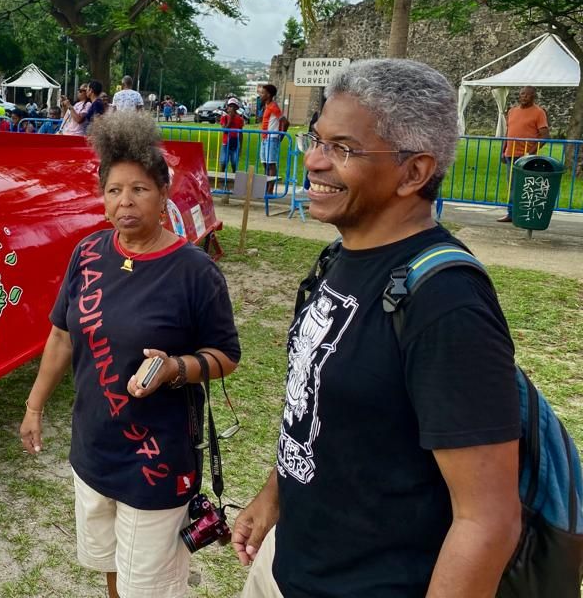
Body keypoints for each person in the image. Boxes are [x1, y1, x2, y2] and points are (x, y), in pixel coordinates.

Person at [232, 59, 521, 598]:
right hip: (288, 565)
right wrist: (272, 497)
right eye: (314, 140)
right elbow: (313, 406)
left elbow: (488, 522)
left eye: (342, 149)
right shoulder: (337, 259)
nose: (314, 162)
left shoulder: (446, 304)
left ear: (413, 173)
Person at [21, 110, 240, 598]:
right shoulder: (89, 252)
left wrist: (173, 368)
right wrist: (35, 406)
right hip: (94, 449)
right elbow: (61, 336)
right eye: (115, 189)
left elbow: (226, 355)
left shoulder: (194, 272)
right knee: (112, 569)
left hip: (156, 460)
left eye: (139, 189)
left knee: (151, 586)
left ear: (164, 195)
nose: (125, 201)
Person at [498, 85, 550, 222]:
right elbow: (508, 132)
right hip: (511, 154)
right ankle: (511, 213)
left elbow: (545, 136)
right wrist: (503, 151)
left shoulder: (539, 112)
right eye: (521, 94)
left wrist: (529, 153)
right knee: (512, 184)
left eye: (527, 94)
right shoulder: (512, 111)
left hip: (526, 156)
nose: (523, 96)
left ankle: (524, 214)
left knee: (525, 186)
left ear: (533, 96)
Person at [259, 85, 283, 194]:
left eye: (263, 93)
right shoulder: (266, 105)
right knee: (265, 163)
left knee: (271, 164)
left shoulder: (274, 106)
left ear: (268, 95)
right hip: (264, 138)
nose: (261, 95)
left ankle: (270, 190)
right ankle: (265, 187)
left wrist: (280, 135)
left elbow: (285, 121)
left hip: (271, 138)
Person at [219, 97, 245, 174]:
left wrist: (241, 146)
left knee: (234, 162)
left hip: (235, 143)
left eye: (233, 107)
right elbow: (225, 130)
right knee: (223, 161)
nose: (231, 109)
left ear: (236, 108)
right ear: (227, 107)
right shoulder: (224, 117)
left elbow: (240, 133)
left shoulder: (240, 119)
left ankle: (234, 177)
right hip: (225, 143)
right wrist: (230, 119)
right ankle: (222, 178)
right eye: (230, 106)